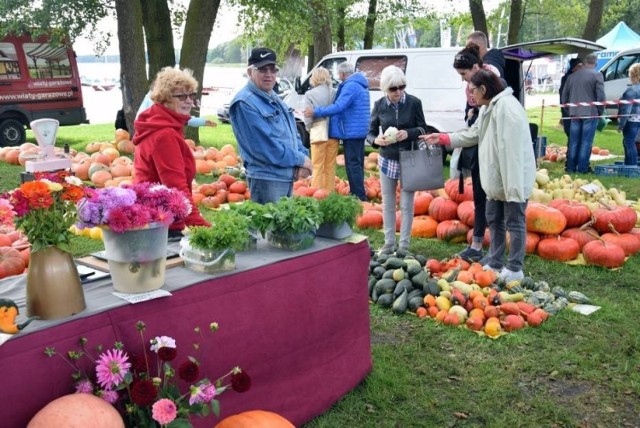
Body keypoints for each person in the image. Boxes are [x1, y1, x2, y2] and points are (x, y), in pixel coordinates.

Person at [422, 70, 536, 283]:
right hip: (495, 179)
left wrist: (513, 189)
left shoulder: (507, 109)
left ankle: (514, 267)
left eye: (473, 90)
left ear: (484, 89)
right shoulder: (487, 108)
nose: (471, 95)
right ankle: (495, 260)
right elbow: (474, 134)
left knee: (514, 221)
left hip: (512, 179)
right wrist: (445, 138)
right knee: (494, 219)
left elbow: (512, 154)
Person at [132, 67, 211, 239]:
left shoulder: (161, 125)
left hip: (152, 218)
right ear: (165, 100)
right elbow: (176, 188)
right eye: (182, 96)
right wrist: (201, 226)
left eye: (191, 95)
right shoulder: (165, 135)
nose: (189, 101)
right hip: (161, 223)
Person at [229, 47, 312, 204]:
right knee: (270, 228)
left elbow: (293, 132)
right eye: (262, 69)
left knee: (283, 227)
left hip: (285, 176)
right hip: (266, 178)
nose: (269, 74)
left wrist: (303, 158)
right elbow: (265, 148)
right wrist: (301, 160)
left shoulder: (272, 95)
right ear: (249, 72)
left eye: (273, 69)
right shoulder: (245, 103)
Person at [366, 65, 427, 256]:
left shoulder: (415, 103)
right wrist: (375, 141)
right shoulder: (379, 105)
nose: (398, 92)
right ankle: (389, 242)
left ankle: (405, 245)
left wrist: (407, 134)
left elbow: (423, 129)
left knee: (407, 204)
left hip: (409, 158)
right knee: (388, 203)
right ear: (385, 89)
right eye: (393, 89)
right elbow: (370, 132)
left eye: (401, 87)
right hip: (388, 158)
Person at [450, 43, 500, 263]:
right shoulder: (471, 88)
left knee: (495, 200)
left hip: (492, 149)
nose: (463, 79)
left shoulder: (496, 85)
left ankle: (495, 251)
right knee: (479, 196)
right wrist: (471, 112)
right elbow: (471, 114)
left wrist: (477, 112)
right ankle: (477, 244)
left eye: (464, 74)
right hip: (477, 145)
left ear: (476, 67)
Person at [304, 62, 370, 201]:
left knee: (322, 166)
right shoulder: (349, 87)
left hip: (339, 132)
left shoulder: (350, 86)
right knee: (335, 166)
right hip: (347, 132)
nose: (338, 76)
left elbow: (338, 107)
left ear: (343, 74)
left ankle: (356, 196)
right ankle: (331, 194)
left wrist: (313, 116)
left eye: (339, 74)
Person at [560, 53, 606, 173]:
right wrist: (600, 111)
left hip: (574, 113)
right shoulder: (597, 75)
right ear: (595, 63)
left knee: (574, 141)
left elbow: (564, 97)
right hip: (590, 113)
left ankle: (570, 167)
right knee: (586, 142)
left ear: (585, 62)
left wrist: (569, 111)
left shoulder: (572, 76)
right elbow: (601, 96)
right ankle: (582, 168)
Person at [303, 67, 339, 192]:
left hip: (318, 131)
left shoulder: (309, 94)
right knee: (330, 166)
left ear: (314, 78)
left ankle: (317, 195)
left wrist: (309, 129)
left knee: (317, 166)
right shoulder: (334, 92)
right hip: (333, 133)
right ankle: (328, 194)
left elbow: (307, 116)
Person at [137, 86, 217, 128]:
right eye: (182, 96)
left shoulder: (153, 100)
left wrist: (202, 121)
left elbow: (181, 118)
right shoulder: (158, 107)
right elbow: (180, 117)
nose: (188, 101)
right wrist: (202, 122)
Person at [617, 63, 640, 166]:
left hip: (632, 120)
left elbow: (626, 110)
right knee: (630, 142)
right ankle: (629, 165)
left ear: (633, 75)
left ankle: (631, 166)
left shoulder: (631, 90)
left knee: (629, 143)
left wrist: (621, 125)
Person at [559, 58, 583, 138]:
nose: (581, 69)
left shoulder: (581, 78)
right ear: (573, 68)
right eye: (579, 66)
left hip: (579, 110)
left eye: (582, 66)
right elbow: (563, 95)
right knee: (571, 132)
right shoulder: (567, 78)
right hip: (569, 110)